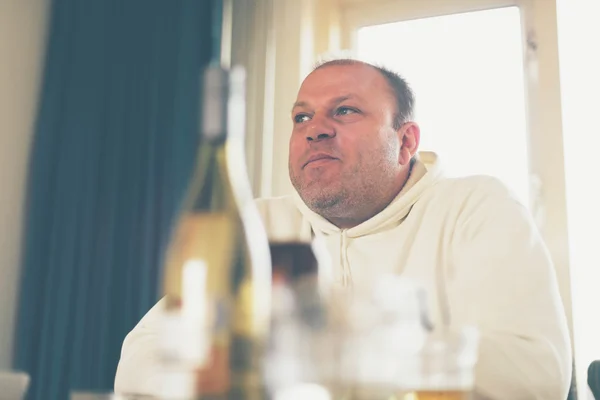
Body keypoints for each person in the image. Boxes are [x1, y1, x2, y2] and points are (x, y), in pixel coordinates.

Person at [114, 59, 572, 399]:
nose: (315, 130)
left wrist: (324, 350)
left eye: (346, 111)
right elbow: (141, 357)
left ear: (406, 141)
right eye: (301, 117)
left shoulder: (475, 206)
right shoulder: (258, 224)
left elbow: (535, 373)